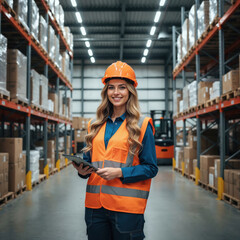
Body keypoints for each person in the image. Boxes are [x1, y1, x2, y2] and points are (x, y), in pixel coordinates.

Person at [72, 61, 158, 240]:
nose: (116, 92)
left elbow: (151, 168)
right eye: (111, 87)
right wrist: (82, 171)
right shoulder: (93, 125)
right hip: (95, 208)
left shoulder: (142, 125)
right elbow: (90, 163)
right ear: (106, 91)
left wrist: (120, 172)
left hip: (126, 209)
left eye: (122, 87)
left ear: (130, 91)